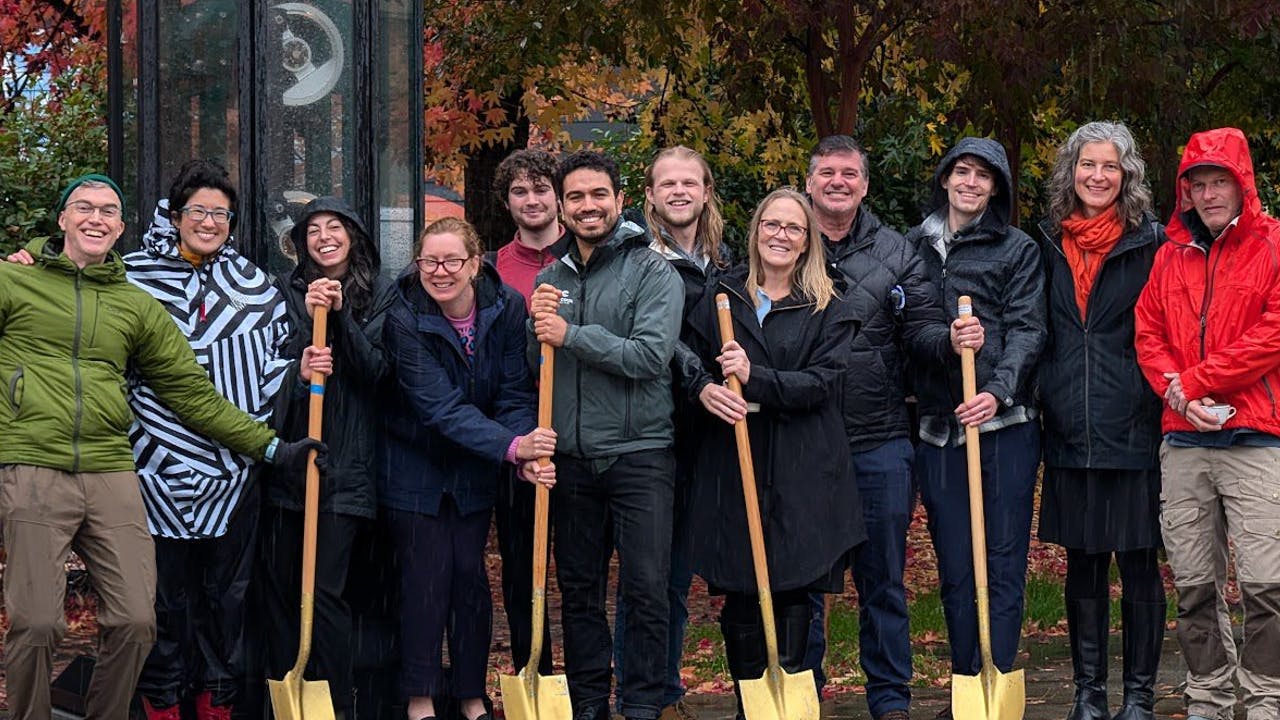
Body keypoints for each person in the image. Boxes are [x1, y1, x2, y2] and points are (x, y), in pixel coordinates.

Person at [0, 174, 317, 719]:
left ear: (121, 227)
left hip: (123, 467)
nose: (96, 219)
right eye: (84, 208)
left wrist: (271, 446)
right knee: (39, 622)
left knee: (139, 620)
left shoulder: (135, 301)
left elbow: (192, 391)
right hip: (65, 463)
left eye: (108, 212)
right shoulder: (16, 281)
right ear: (62, 219)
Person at [805, 135, 977, 720]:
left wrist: (949, 342)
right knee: (803, 580)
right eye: (826, 172)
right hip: (804, 443)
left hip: (880, 439)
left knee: (883, 581)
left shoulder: (898, 251)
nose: (837, 182)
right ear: (809, 182)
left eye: (849, 174)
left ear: (865, 185)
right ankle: (804, 691)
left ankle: (890, 700)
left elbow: (923, 331)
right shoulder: (784, 240)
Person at [121, 160, 293, 720]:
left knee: (227, 596)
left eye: (221, 213)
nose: (210, 221)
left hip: (233, 468)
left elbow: (277, 368)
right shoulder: (131, 278)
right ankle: (163, 701)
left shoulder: (255, 285)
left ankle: (217, 700)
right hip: (153, 467)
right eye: (198, 210)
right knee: (164, 600)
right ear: (174, 216)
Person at [683, 186, 861, 717]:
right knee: (739, 586)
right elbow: (686, 361)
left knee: (792, 585)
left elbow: (822, 383)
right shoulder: (720, 295)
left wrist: (753, 377)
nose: (781, 236)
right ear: (756, 230)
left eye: (793, 228)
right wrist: (704, 387)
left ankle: (785, 704)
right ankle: (749, 704)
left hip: (804, 461)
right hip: (734, 456)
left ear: (808, 241)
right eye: (771, 225)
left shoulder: (829, 303)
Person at [529, 150, 684, 720]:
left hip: (639, 452)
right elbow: (538, 368)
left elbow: (650, 356)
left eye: (598, 194)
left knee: (646, 586)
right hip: (572, 459)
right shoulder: (551, 277)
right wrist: (537, 327)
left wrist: (570, 334)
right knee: (579, 590)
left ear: (620, 201)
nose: (587, 206)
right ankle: (590, 701)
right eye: (576, 197)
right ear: (563, 208)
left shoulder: (653, 270)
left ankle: (642, 702)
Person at [381, 217, 556, 720]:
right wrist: (512, 448)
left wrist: (521, 444)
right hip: (415, 468)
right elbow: (439, 407)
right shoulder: (403, 316)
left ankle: (471, 695)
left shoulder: (507, 307)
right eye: (429, 261)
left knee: (470, 581)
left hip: (474, 470)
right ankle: (419, 699)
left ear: (475, 262)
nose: (440, 272)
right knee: (425, 579)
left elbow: (514, 391)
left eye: (452, 260)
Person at [1135, 127, 1280, 720]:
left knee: (1266, 585)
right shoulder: (1170, 255)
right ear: (1186, 192)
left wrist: (1196, 382)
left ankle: (1267, 697)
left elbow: (1272, 333)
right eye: (1200, 183)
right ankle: (1209, 695)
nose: (1211, 192)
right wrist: (1177, 391)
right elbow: (1147, 331)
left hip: (1255, 439)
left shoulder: (1273, 244)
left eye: (1221, 180)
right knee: (1194, 583)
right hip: (1184, 441)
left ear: (1243, 184)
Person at [906, 138, 1047, 704]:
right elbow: (908, 330)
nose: (970, 183)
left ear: (996, 189)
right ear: (944, 179)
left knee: (1003, 560)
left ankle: (999, 676)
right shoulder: (911, 247)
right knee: (958, 568)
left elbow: (1029, 330)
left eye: (983, 177)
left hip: (1004, 430)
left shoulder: (1016, 249)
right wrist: (945, 340)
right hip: (939, 431)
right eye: (960, 172)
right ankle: (969, 688)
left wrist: (996, 390)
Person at [1037, 122, 1166, 720]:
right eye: (1087, 165)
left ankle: (1138, 698)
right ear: (1071, 171)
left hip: (1136, 423)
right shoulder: (1044, 244)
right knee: (1084, 564)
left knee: (1139, 562)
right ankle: (1089, 696)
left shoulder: (1154, 244)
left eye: (1109, 166)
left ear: (1127, 174)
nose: (1097, 176)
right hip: (1068, 425)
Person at [607, 145, 732, 720]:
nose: (679, 191)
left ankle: (670, 687)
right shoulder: (633, 258)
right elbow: (658, 339)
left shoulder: (726, 260)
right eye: (667, 183)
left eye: (690, 181)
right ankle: (650, 695)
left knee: (690, 573)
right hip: (659, 432)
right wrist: (699, 381)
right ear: (650, 196)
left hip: (721, 435)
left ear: (706, 191)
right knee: (653, 578)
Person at [261, 196, 395, 718]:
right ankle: (283, 695)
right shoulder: (282, 293)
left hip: (346, 467)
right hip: (291, 459)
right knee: (281, 590)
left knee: (326, 593)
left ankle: (334, 701)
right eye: (312, 230)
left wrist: (339, 319)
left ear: (353, 235)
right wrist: (300, 360)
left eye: (334, 226)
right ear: (301, 244)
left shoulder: (381, 295)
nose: (323, 237)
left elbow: (376, 373)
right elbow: (267, 372)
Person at [490, 147, 566, 683]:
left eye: (541, 189)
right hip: (520, 433)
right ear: (507, 201)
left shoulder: (587, 256)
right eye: (521, 191)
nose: (532, 199)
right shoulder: (493, 269)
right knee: (521, 564)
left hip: (581, 429)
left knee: (584, 569)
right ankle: (530, 668)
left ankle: (587, 681)